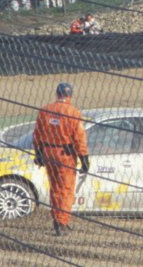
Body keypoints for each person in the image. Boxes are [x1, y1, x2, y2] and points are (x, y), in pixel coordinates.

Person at [33, 82, 89, 236]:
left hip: (48, 152)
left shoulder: (45, 110)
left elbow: (37, 134)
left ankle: (57, 218)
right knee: (66, 189)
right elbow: (79, 138)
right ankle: (61, 222)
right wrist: (84, 159)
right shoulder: (73, 112)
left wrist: (38, 153)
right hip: (65, 155)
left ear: (57, 94)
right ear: (70, 95)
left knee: (55, 187)